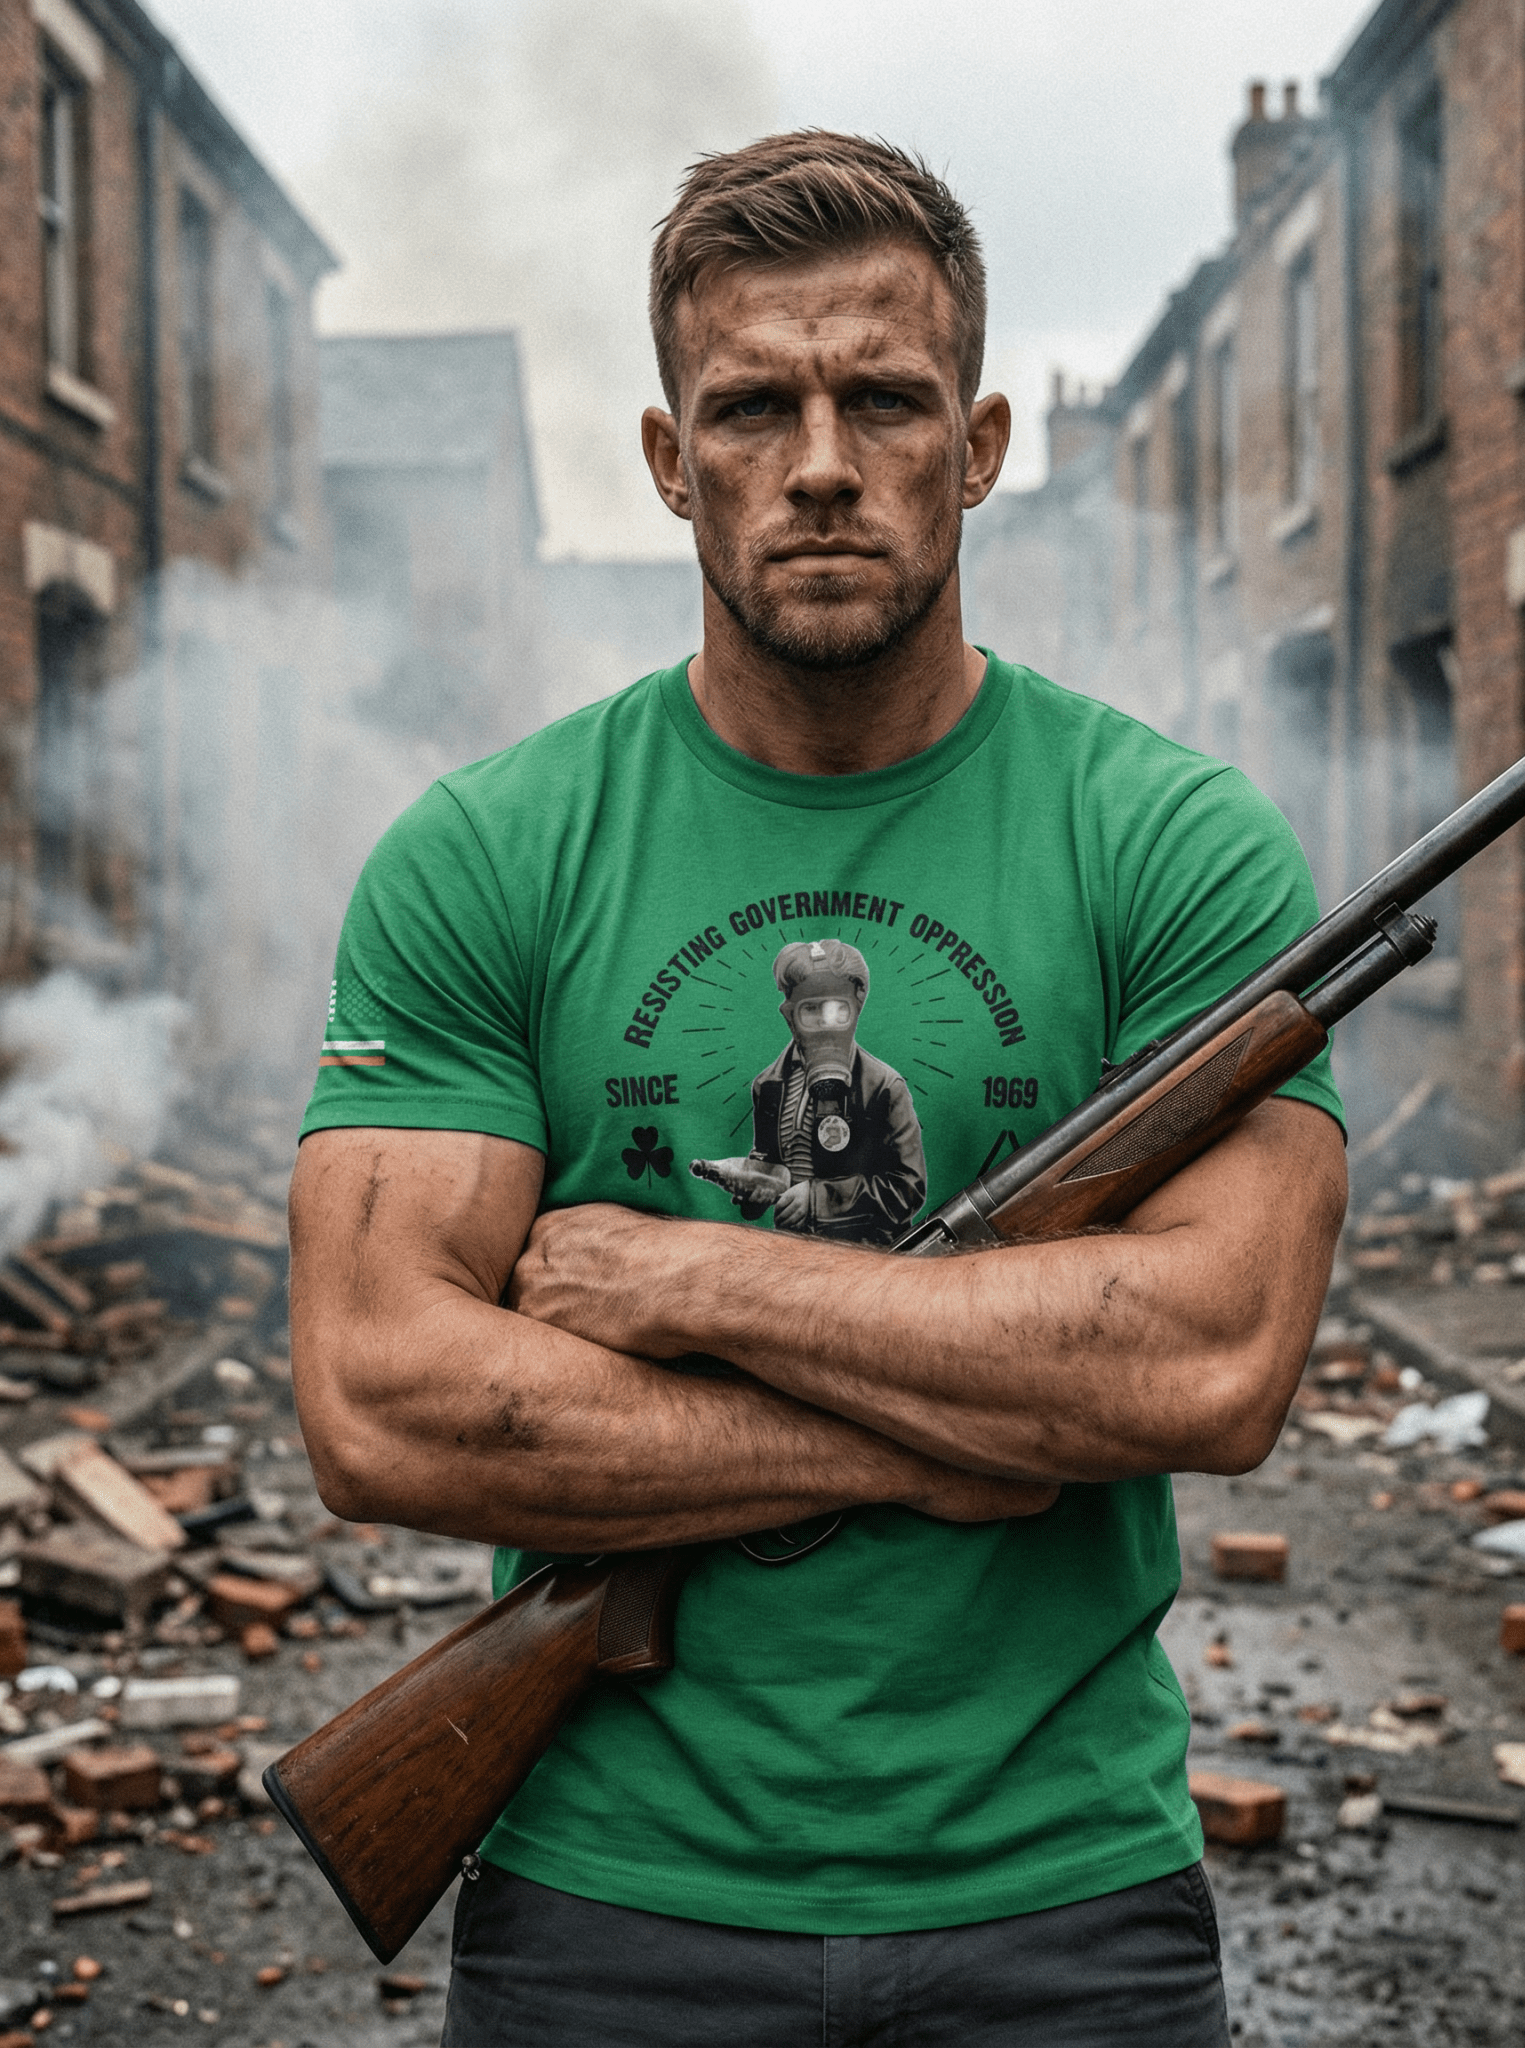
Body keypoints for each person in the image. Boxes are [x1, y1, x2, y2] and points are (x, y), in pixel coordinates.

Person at [291, 130, 1347, 2046]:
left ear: (988, 438)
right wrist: (947, 1426)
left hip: (1069, 1896)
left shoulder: (1172, 839)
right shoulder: (488, 851)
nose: (827, 461)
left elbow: (1209, 1365)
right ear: (668, 460)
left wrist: (694, 1285)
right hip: (608, 1898)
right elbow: (377, 1395)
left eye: (887, 397)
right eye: (753, 407)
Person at [696, 935, 927, 1242]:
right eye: (811, 1010)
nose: (824, 1024)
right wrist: (755, 1187)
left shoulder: (884, 1087)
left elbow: (907, 1189)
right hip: (796, 1256)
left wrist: (818, 1200)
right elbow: (771, 1166)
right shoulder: (768, 1086)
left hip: (868, 1259)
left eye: (837, 1011)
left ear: (856, 1010)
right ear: (790, 1016)